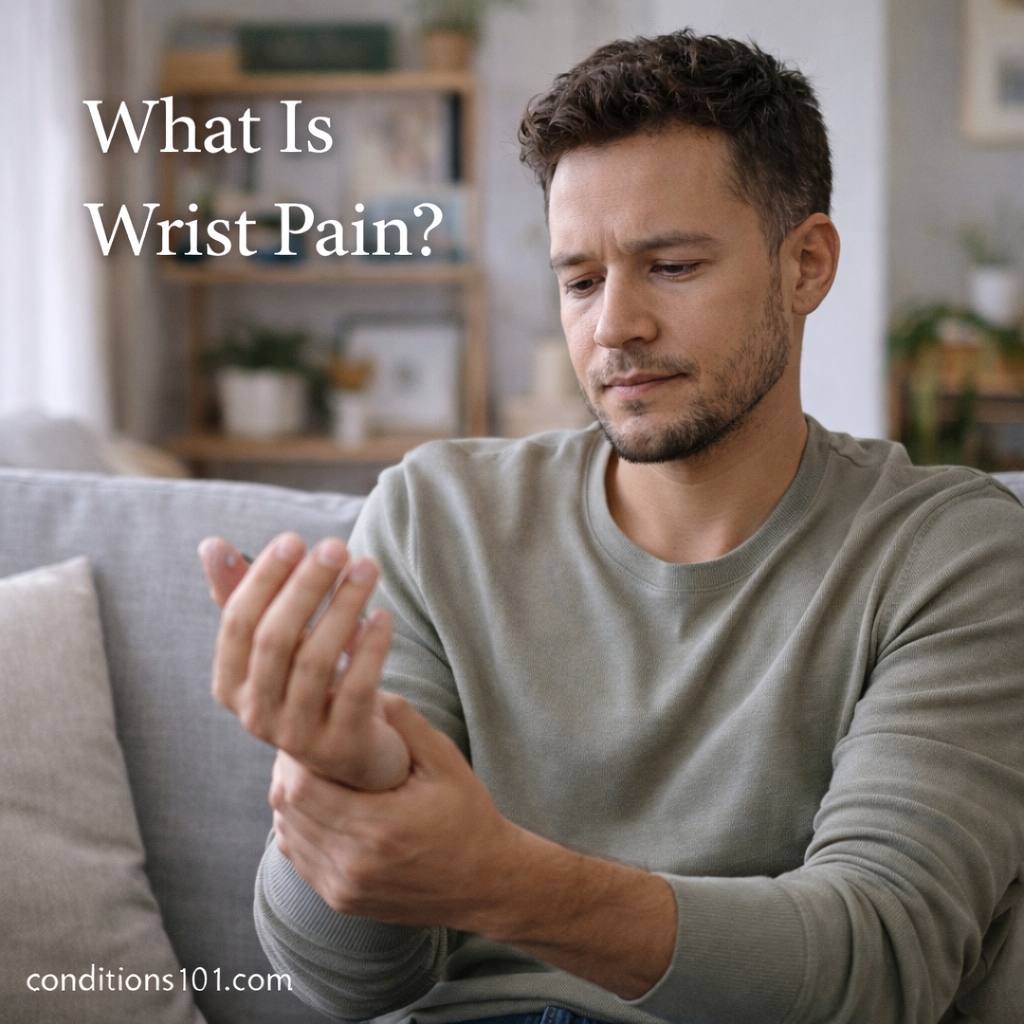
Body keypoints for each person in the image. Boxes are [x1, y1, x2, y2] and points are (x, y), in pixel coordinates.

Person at [198, 29, 1024, 1024]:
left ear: (804, 265)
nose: (612, 326)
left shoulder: (948, 553)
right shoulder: (436, 515)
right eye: (580, 280)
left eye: (669, 266)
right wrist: (346, 788)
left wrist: (503, 880)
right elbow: (347, 983)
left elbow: (880, 967)